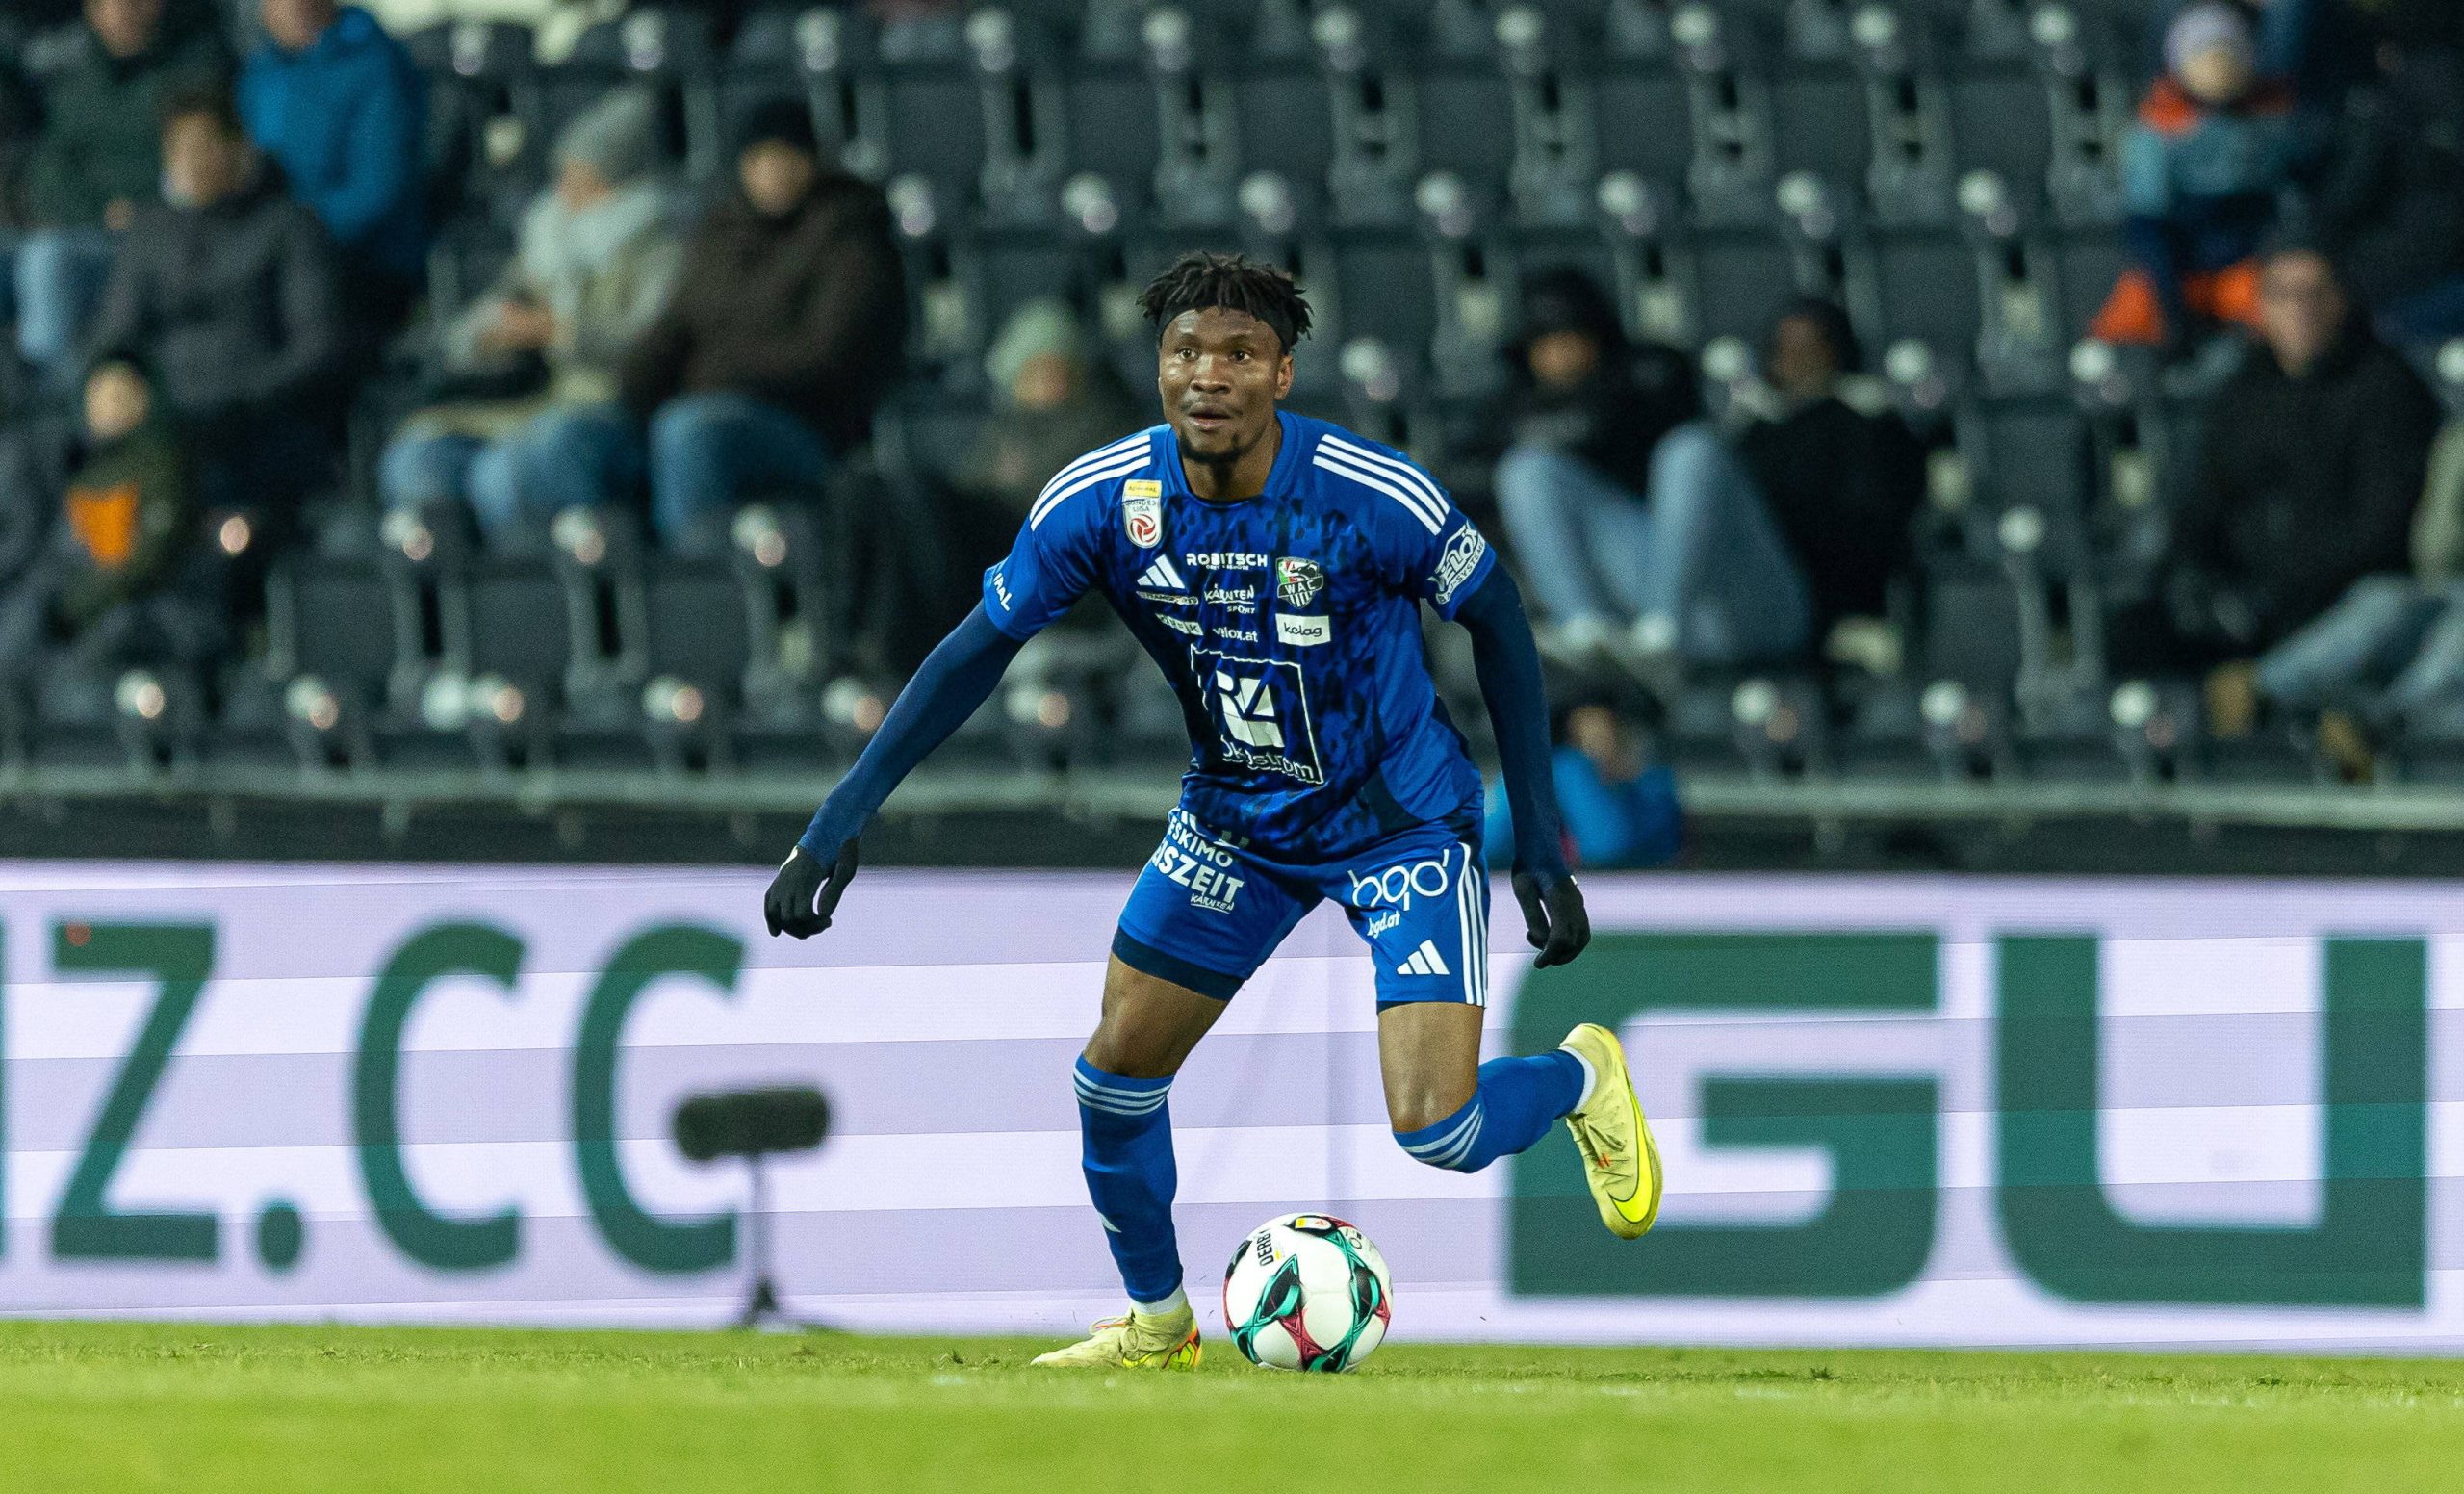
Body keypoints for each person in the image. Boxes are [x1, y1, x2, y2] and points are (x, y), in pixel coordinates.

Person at [762, 252, 1661, 1369]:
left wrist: (1539, 845)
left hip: (1397, 824)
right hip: (1237, 822)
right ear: (1159, 370)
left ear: (1282, 374)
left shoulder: (1368, 495)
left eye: (1239, 354)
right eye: (1186, 351)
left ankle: (1580, 1074)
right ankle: (1157, 1322)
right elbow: (971, 652)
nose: (1208, 374)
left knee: (1441, 1128)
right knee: (1113, 1076)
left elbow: (1502, 623)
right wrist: (837, 819)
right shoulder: (1107, 500)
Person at [378, 87, 680, 538]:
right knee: (418, 456)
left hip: (611, 407)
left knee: (505, 474)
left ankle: (530, 595)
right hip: (532, 401)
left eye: (585, 178)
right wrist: (487, 337)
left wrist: (558, 331)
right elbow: (478, 324)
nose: (567, 192)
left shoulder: (665, 247)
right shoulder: (552, 239)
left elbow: (651, 345)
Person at [1490, 266, 1810, 683]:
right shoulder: (1514, 408)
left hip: (1748, 603)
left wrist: (1584, 421)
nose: (1561, 354)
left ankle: (1664, 628)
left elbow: (1650, 424)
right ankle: (1586, 628)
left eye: (1571, 336)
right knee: (1526, 470)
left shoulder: (1649, 374)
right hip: (1644, 609)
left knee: (1690, 449)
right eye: (1546, 342)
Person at [2167, 245, 2442, 729]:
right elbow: (2203, 506)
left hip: (2349, 591)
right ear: (2263, 307)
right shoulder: (2241, 393)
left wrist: (2292, 579)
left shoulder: (2387, 387)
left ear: (2342, 301)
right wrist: (2212, 581)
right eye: (2285, 296)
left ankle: (2270, 695)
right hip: (2255, 598)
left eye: (2315, 294)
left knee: (2387, 605)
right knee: (2135, 621)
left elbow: (2387, 528)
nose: (2301, 310)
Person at [618, 100, 903, 549]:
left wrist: (717, 374)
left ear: (811, 161)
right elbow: (672, 328)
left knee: (689, 431)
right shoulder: (720, 236)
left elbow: (823, 355)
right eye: (759, 160)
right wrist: (629, 393)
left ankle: (705, 585)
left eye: (786, 157)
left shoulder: (849, 236)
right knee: (583, 438)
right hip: (702, 406)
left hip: (808, 428)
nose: (772, 172)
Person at [84, 88, 347, 528]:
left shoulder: (288, 228)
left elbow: (317, 347)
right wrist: (110, 373)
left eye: (202, 145)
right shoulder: (150, 232)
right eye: (178, 149)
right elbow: (117, 327)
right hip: (163, 420)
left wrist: (236, 399)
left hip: (256, 421)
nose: (190, 162)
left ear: (235, 145)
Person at [13, 0, 228, 385]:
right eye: (113, 3)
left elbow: (198, 165)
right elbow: (47, 177)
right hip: (95, 238)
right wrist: (102, 211)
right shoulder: (74, 87)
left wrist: (144, 211)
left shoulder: (192, 74)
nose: (125, 10)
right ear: (92, 11)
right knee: (44, 257)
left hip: (174, 235)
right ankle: (56, 392)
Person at [2093, 4, 2315, 352]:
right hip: (2180, 266)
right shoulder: (2156, 131)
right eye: (2203, 54)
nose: (2216, 66)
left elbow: (2291, 190)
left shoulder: (2272, 121)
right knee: (2136, 325)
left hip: (2249, 265)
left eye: (2226, 54)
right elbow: (2147, 223)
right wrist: (2171, 298)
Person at [0, 352, 214, 688]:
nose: (106, 407)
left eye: (118, 396)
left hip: (145, 610)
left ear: (143, 400)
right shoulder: (79, 469)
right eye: (97, 395)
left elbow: (145, 560)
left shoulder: (161, 465)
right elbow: (58, 550)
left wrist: (71, 607)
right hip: (76, 610)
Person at [1737, 298, 1927, 665]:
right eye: (1786, 349)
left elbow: (1877, 524)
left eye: (1810, 348)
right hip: (1764, 589)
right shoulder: (1753, 432)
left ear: (1837, 352)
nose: (1796, 360)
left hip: (1839, 595)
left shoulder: (1870, 427)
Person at [239, 0, 426, 331]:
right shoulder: (257, 77)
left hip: (362, 264)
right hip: (272, 258)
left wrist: (296, 238)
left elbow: (379, 187)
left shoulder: (374, 64)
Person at [947, 296, 1144, 575]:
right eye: (1037, 373)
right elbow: (970, 496)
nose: (1054, 384)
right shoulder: (1004, 431)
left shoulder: (1106, 426)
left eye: (1061, 370)